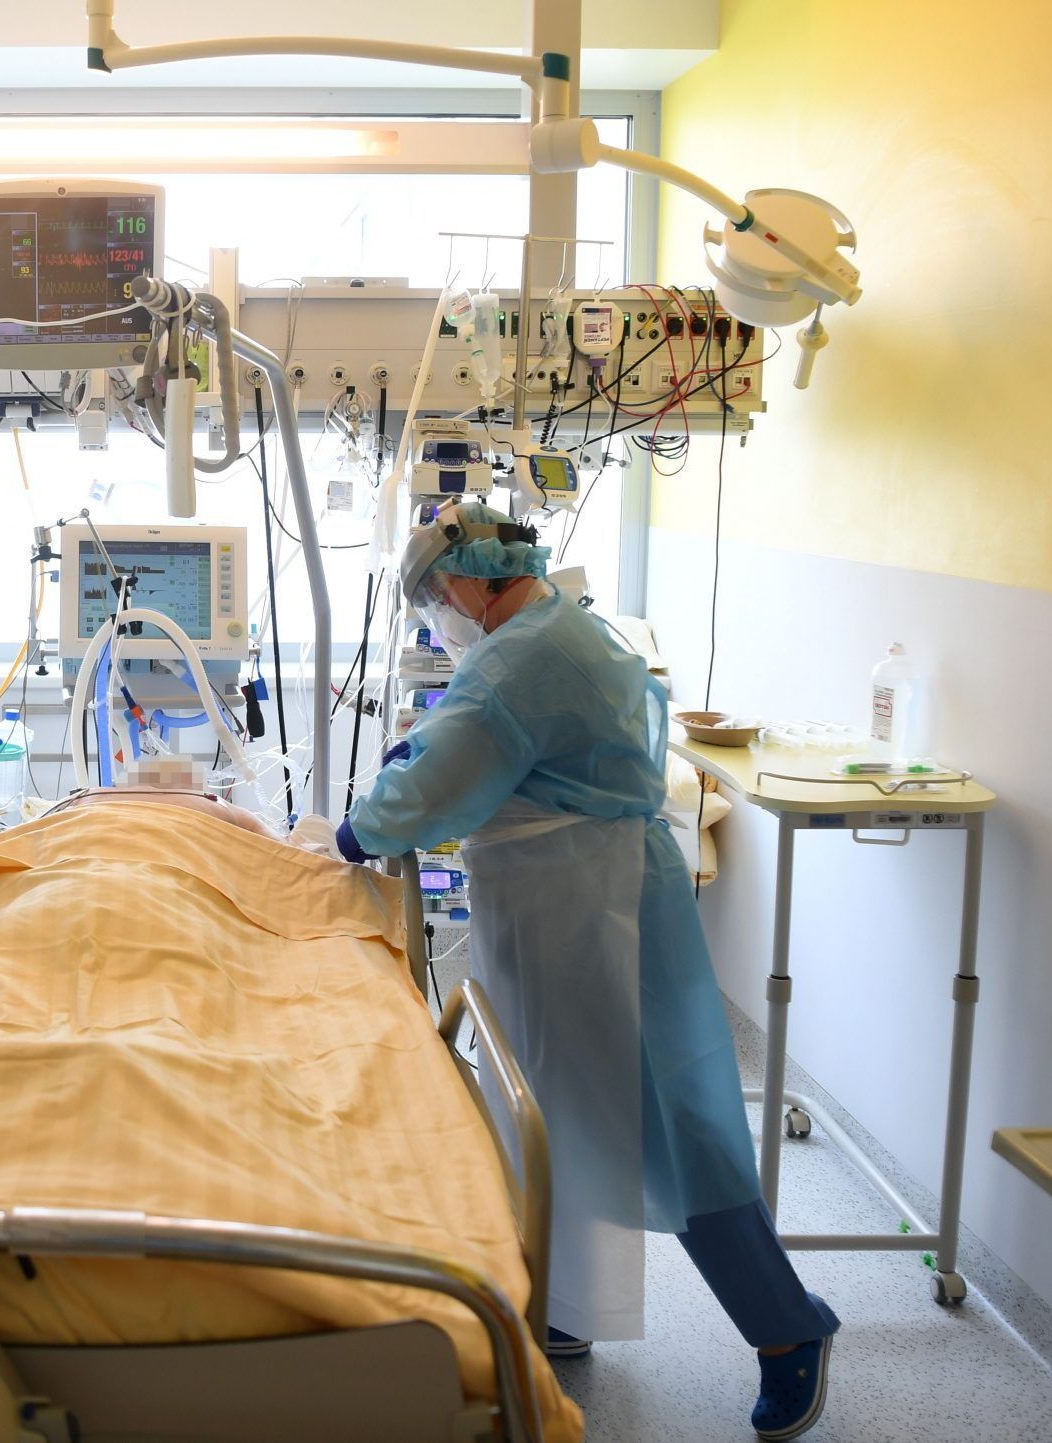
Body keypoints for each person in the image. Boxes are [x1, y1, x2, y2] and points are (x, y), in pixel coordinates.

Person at [338, 501, 838, 1441]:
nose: (439, 618)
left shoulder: (517, 662)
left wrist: (358, 830)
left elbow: (446, 775)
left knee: (671, 1126)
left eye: (437, 598)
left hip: (593, 908)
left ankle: (788, 1328)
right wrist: (427, 752)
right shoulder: (554, 629)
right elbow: (485, 748)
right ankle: (567, 1302)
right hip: (564, 898)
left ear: (474, 578)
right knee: (554, 1104)